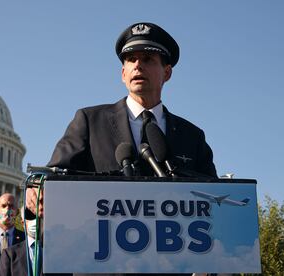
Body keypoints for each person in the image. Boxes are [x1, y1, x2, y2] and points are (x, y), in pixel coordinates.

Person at [27, 22, 217, 216]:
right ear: (123, 74)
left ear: (166, 72)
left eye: (147, 59)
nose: (137, 66)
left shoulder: (192, 136)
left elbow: (215, 197)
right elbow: (54, 173)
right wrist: (37, 187)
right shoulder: (90, 122)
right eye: (131, 59)